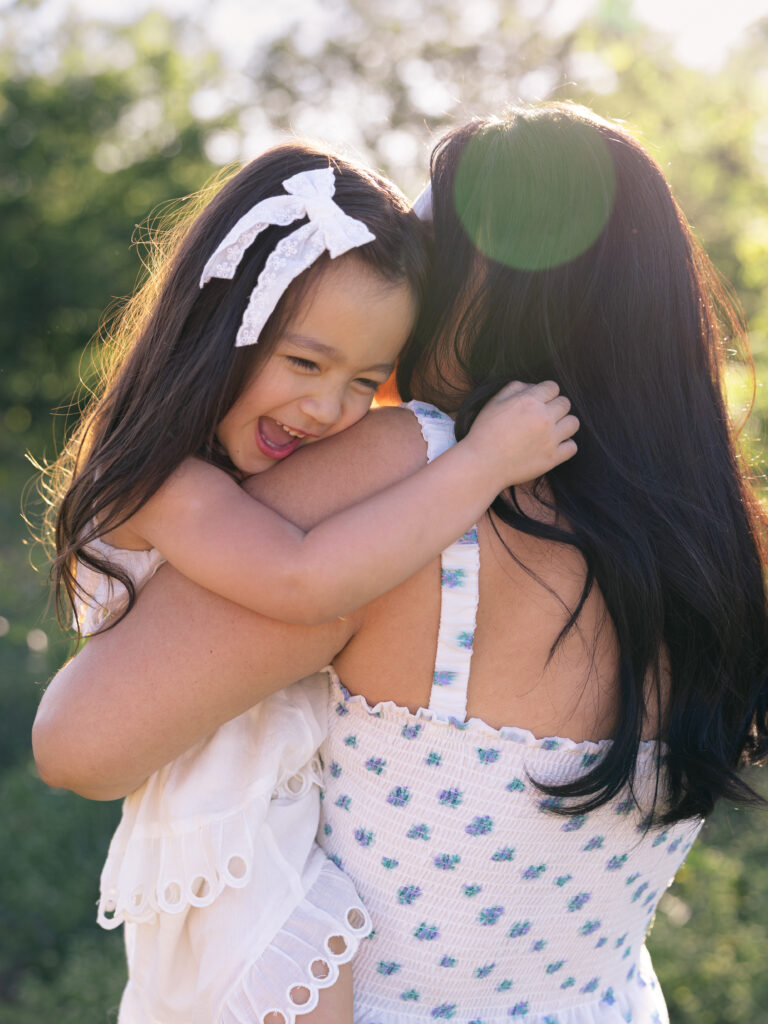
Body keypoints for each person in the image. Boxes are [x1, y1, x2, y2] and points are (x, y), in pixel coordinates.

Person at [33, 103, 768, 1024]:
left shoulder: (412, 472)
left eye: (429, 249)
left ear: (490, 283)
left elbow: (79, 745)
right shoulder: (719, 540)